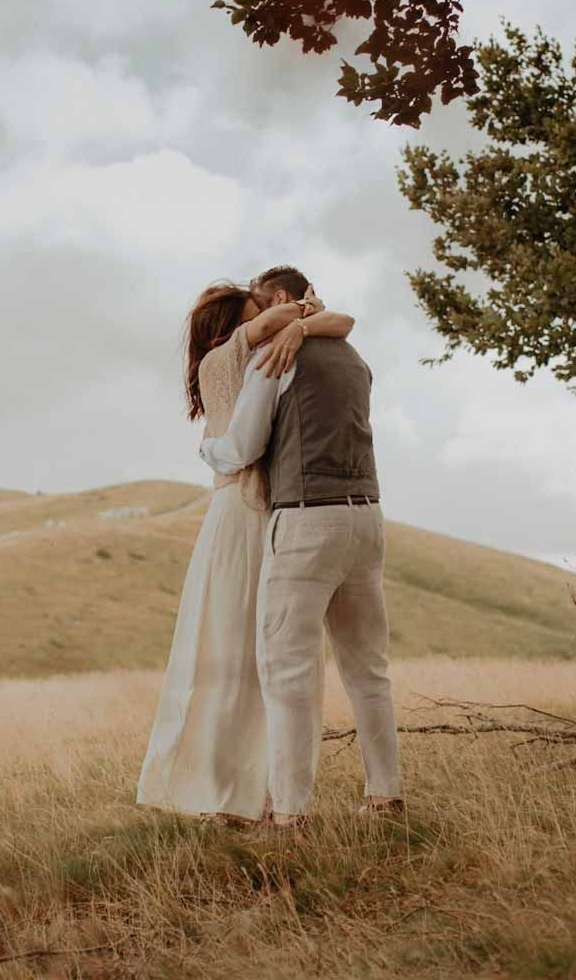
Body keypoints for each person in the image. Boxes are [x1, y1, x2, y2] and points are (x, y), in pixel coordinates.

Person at [136, 278, 355, 822]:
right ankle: (214, 789)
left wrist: (304, 317)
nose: (269, 320)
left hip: (269, 517)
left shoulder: (265, 361)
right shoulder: (226, 357)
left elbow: (343, 323)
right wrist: (301, 311)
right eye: (258, 312)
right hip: (240, 517)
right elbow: (239, 448)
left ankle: (255, 791)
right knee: (227, 653)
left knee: (268, 658)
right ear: (236, 323)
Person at [199, 265, 403, 827]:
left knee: (286, 671)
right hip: (368, 515)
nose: (262, 325)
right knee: (368, 669)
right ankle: (385, 795)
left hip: (306, 520)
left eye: (263, 311)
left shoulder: (276, 357)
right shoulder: (353, 356)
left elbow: (242, 446)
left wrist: (207, 450)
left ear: (280, 300)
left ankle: (289, 813)